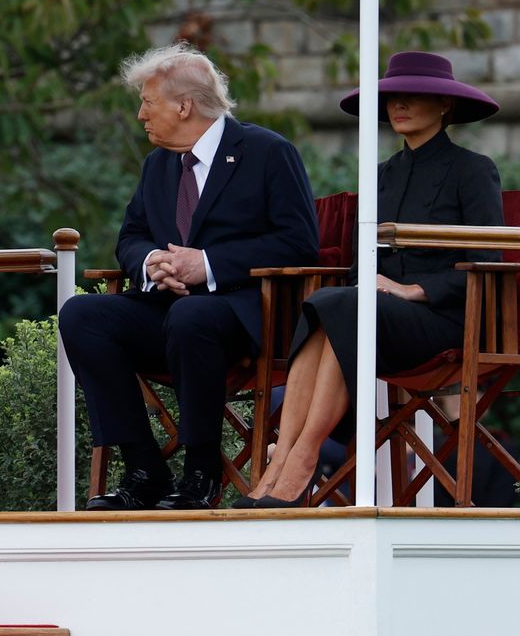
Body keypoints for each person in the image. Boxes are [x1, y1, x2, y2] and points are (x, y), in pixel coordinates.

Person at [59, 42, 319, 511]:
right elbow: (131, 235)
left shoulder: (267, 152)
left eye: (148, 102)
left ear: (184, 105)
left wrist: (209, 263)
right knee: (82, 314)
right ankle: (144, 469)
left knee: (193, 316)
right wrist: (152, 260)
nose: (140, 114)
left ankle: (202, 471)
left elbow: (299, 242)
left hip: (244, 314)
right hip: (170, 311)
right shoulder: (158, 164)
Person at [238, 51, 503, 508]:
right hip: (375, 316)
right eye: (392, 96)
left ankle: (302, 459)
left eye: (414, 96)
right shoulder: (379, 176)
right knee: (328, 302)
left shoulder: (473, 169)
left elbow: (487, 259)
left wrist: (414, 290)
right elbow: (364, 268)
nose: (398, 104)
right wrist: (378, 286)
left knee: (346, 305)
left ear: (445, 106)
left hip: (445, 320)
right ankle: (282, 461)